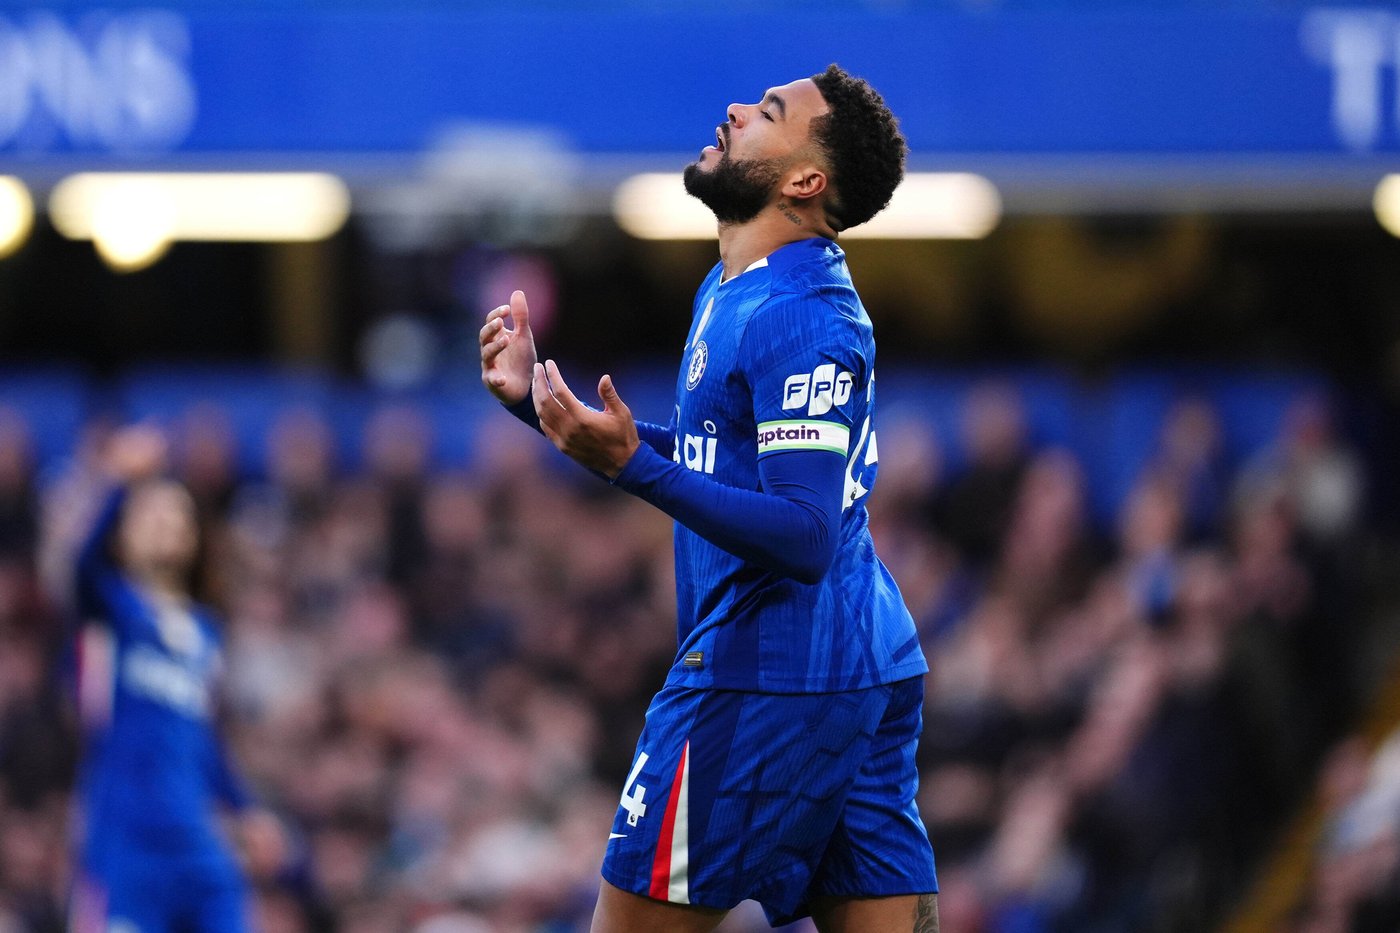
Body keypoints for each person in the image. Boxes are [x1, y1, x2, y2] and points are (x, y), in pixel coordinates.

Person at [481, 64, 937, 932]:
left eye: (769, 112)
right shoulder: (735, 284)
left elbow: (805, 534)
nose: (736, 109)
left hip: (766, 676)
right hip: (856, 665)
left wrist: (633, 470)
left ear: (805, 182)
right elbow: (714, 461)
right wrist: (552, 412)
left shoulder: (803, 314)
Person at [69, 425, 283, 933]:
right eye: (149, 513)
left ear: (193, 535)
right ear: (122, 534)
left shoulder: (206, 634)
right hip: (127, 840)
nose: (164, 522)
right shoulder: (113, 613)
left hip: (195, 837)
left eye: (175, 514)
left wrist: (246, 808)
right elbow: (82, 568)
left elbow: (203, 741)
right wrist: (119, 483)